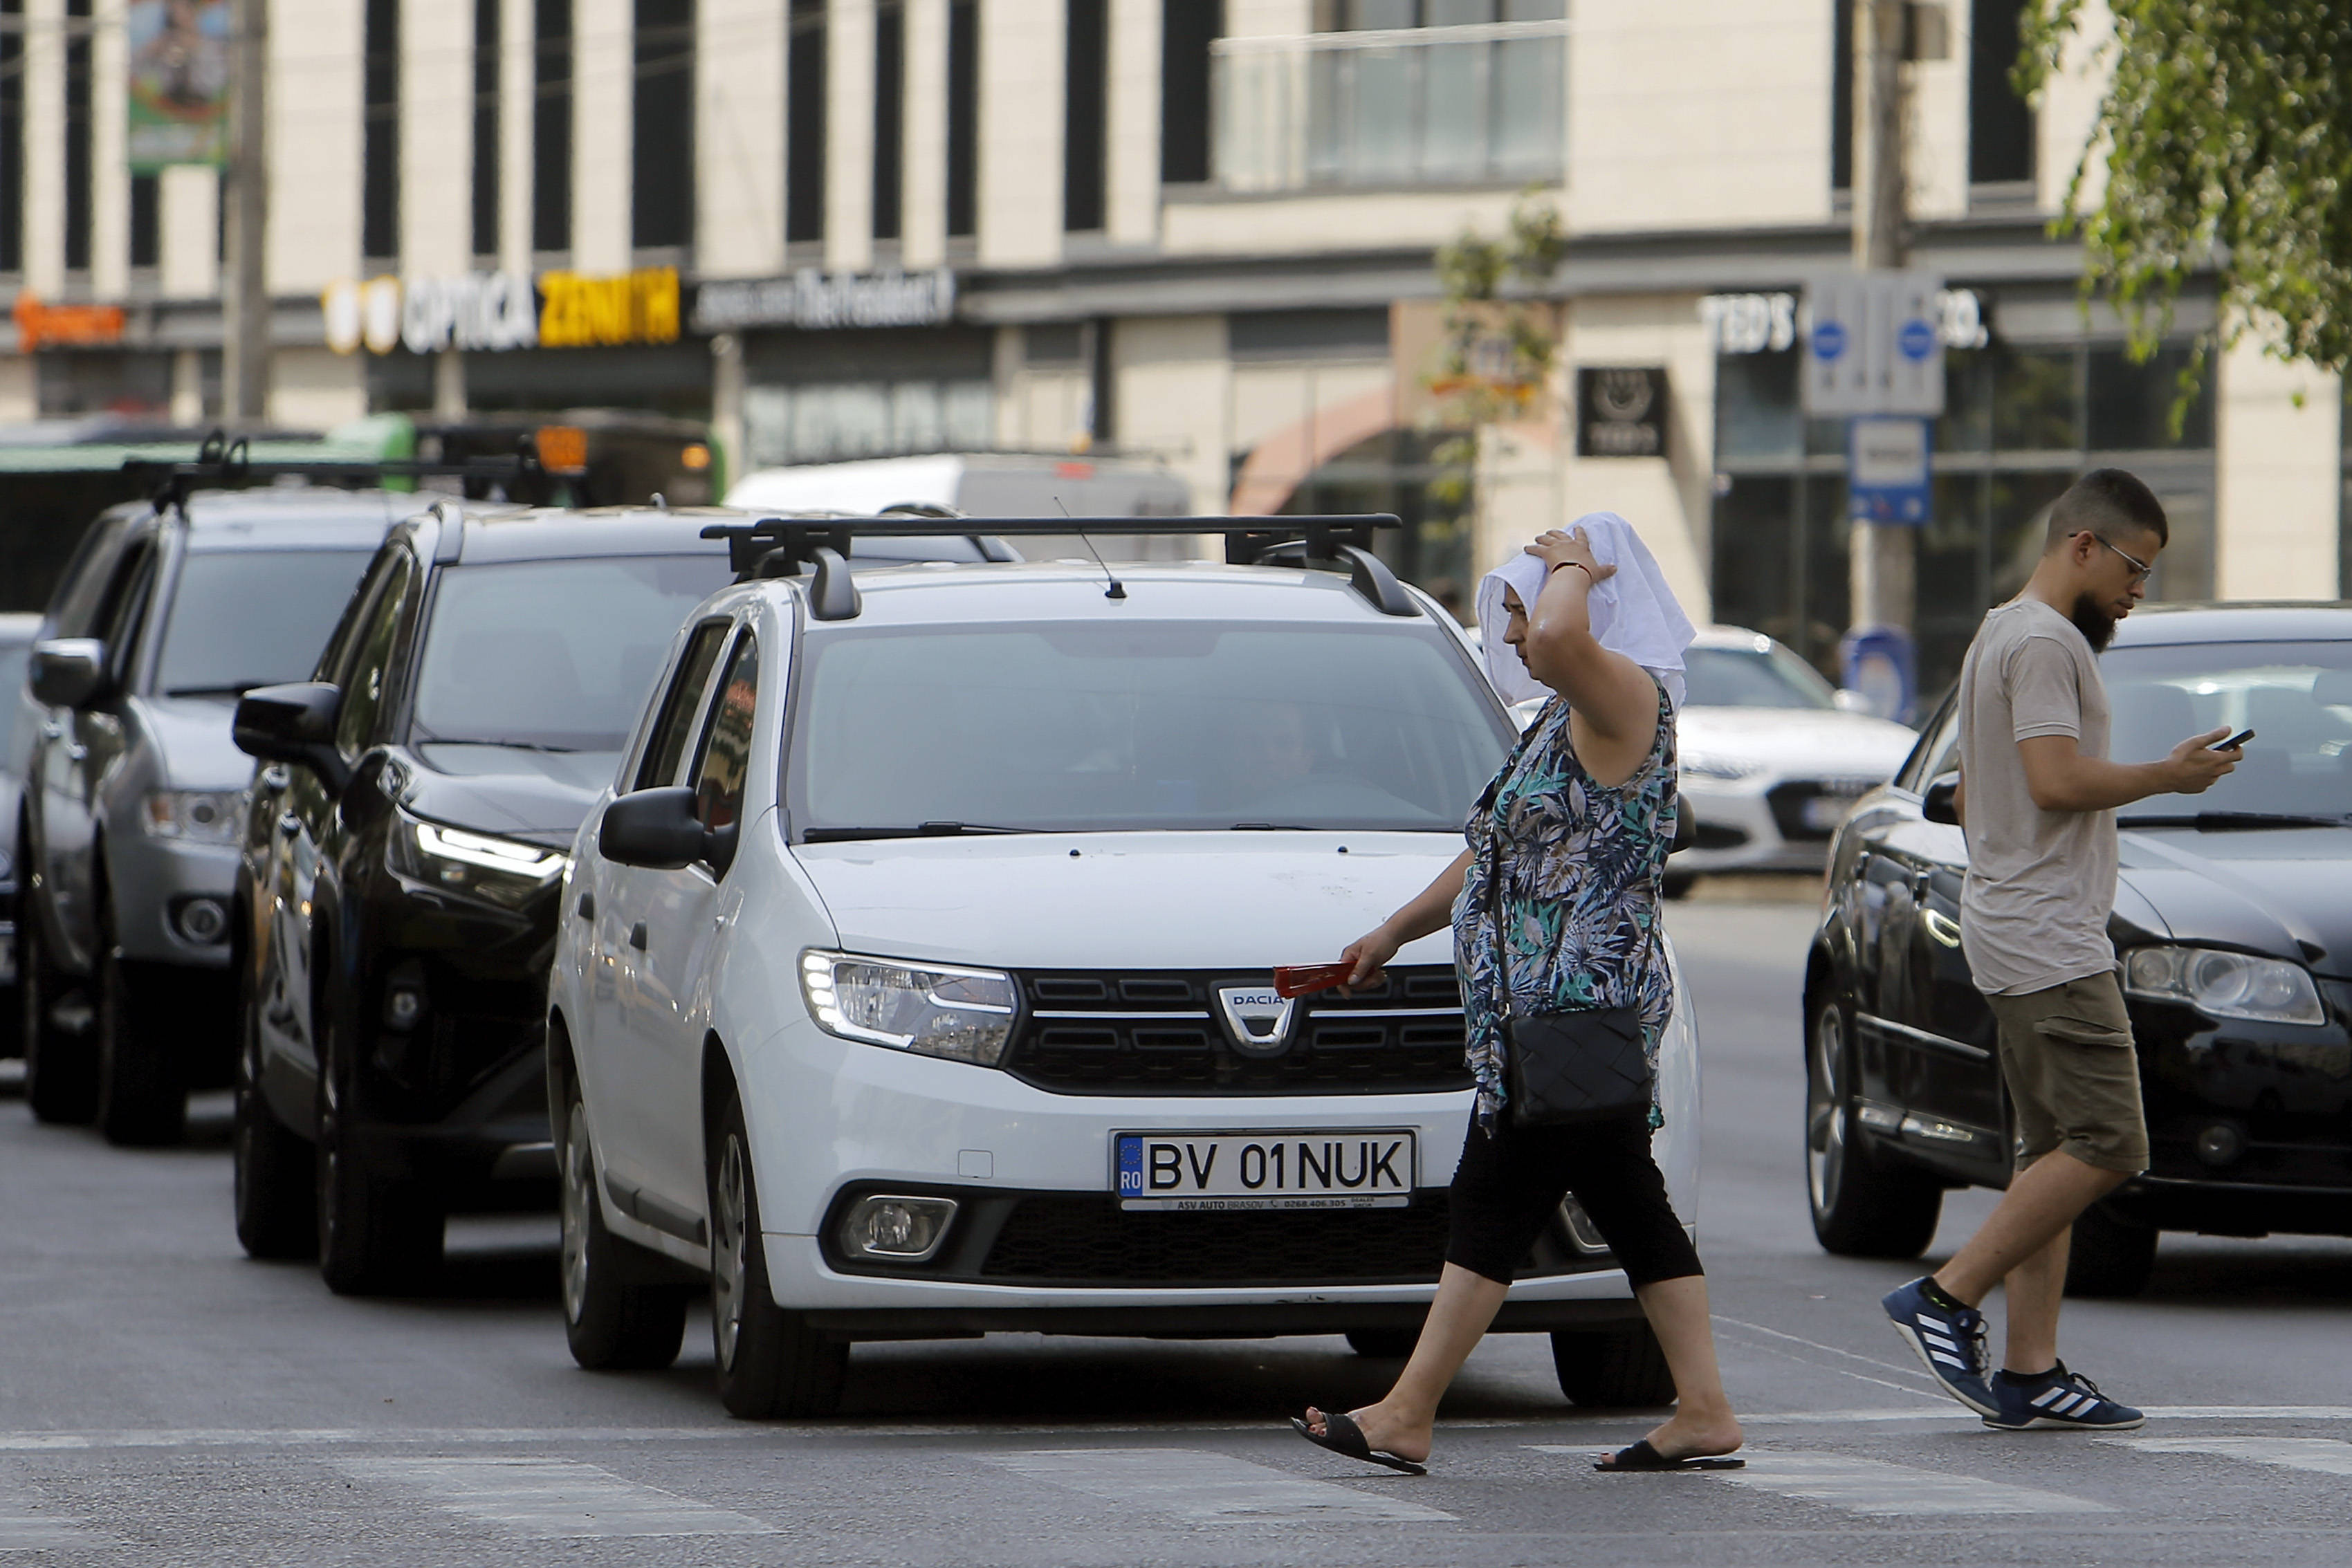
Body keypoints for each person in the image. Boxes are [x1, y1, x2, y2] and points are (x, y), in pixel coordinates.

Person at [1289, 513, 1744, 1476]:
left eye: (1520, 611)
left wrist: (1572, 564)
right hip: (1542, 1016)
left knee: (1491, 1200)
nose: (1514, 632)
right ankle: (1704, 1410)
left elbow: (1565, 640)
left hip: (1571, 1010)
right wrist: (1391, 933)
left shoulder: (1625, 699)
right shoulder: (1564, 721)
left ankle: (1407, 1412)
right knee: (1628, 1199)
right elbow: (1495, 855)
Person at [1880, 468, 2238, 1432]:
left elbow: (1975, 789)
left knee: (2050, 1156)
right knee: (2111, 1142)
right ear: (2083, 544)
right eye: (2133, 567)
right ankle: (1946, 1297)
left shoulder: (2003, 628)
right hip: (2047, 938)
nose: (2138, 590)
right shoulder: (2043, 640)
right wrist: (2168, 775)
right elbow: (2053, 777)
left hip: (2016, 921)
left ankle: (2032, 1370)